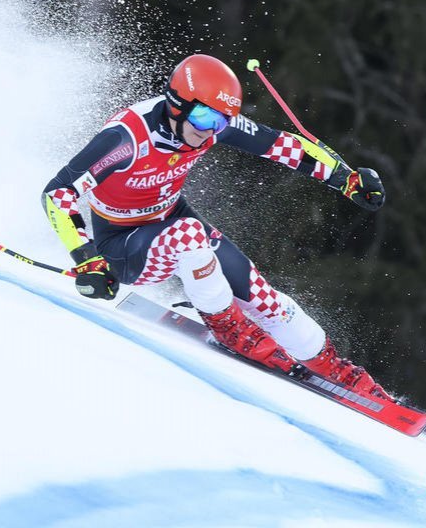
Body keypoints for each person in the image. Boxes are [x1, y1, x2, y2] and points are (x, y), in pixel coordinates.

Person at [42, 54, 392, 401]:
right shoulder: (127, 138)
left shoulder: (208, 125)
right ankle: (230, 328)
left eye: (222, 123)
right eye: (205, 117)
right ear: (177, 103)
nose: (210, 130)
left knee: (262, 296)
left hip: (171, 222)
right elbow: (58, 193)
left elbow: (282, 145)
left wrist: (346, 179)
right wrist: (87, 259)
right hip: (121, 246)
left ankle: (336, 370)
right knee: (190, 233)